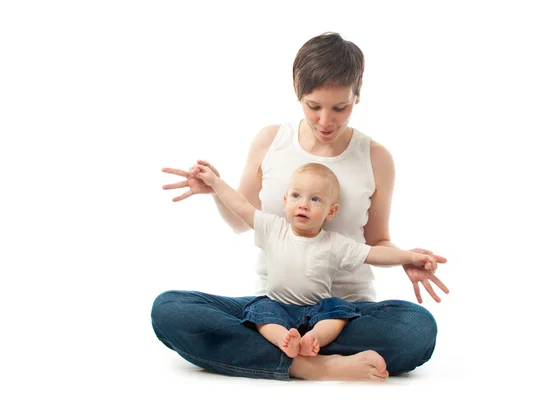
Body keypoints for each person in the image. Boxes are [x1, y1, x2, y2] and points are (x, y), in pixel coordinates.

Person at [152, 31, 450, 382]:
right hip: (272, 310)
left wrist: (406, 259)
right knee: (170, 310)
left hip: (344, 312)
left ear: (358, 94)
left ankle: (270, 355)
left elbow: (376, 241)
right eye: (314, 106)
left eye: (341, 107)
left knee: (415, 329)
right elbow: (241, 222)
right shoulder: (271, 141)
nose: (326, 121)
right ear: (298, 94)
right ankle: (312, 365)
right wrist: (216, 190)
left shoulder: (377, 157)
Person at [193, 161, 438, 359]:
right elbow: (241, 205)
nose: (304, 205)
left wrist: (410, 256)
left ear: (331, 212)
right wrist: (215, 183)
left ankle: (313, 340)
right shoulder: (272, 228)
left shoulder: (334, 243)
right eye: (297, 196)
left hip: (317, 310)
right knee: (261, 311)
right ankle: (283, 340)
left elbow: (374, 253)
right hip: (277, 304)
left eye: (315, 200)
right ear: (285, 200)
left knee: (338, 311)